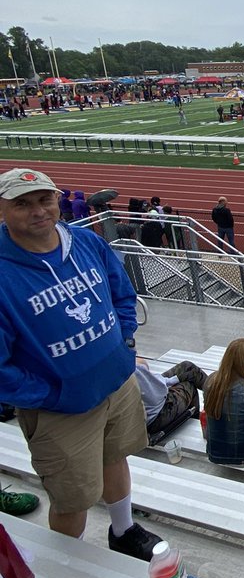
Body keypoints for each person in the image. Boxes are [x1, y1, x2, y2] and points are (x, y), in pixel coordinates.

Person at [0, 167, 162, 558]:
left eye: (44, 199)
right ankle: (68, 564)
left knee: (116, 457)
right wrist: (53, 393)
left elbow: (122, 294)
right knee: (72, 498)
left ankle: (122, 530)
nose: (38, 210)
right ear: (2, 210)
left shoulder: (87, 242)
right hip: (63, 410)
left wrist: (124, 343)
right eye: (22, 203)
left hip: (117, 383)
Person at [134, 357, 207, 443]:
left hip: (140, 414)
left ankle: (218, 394)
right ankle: (200, 420)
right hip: (155, 418)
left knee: (187, 367)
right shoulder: (127, 369)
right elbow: (158, 394)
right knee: (189, 385)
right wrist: (170, 381)